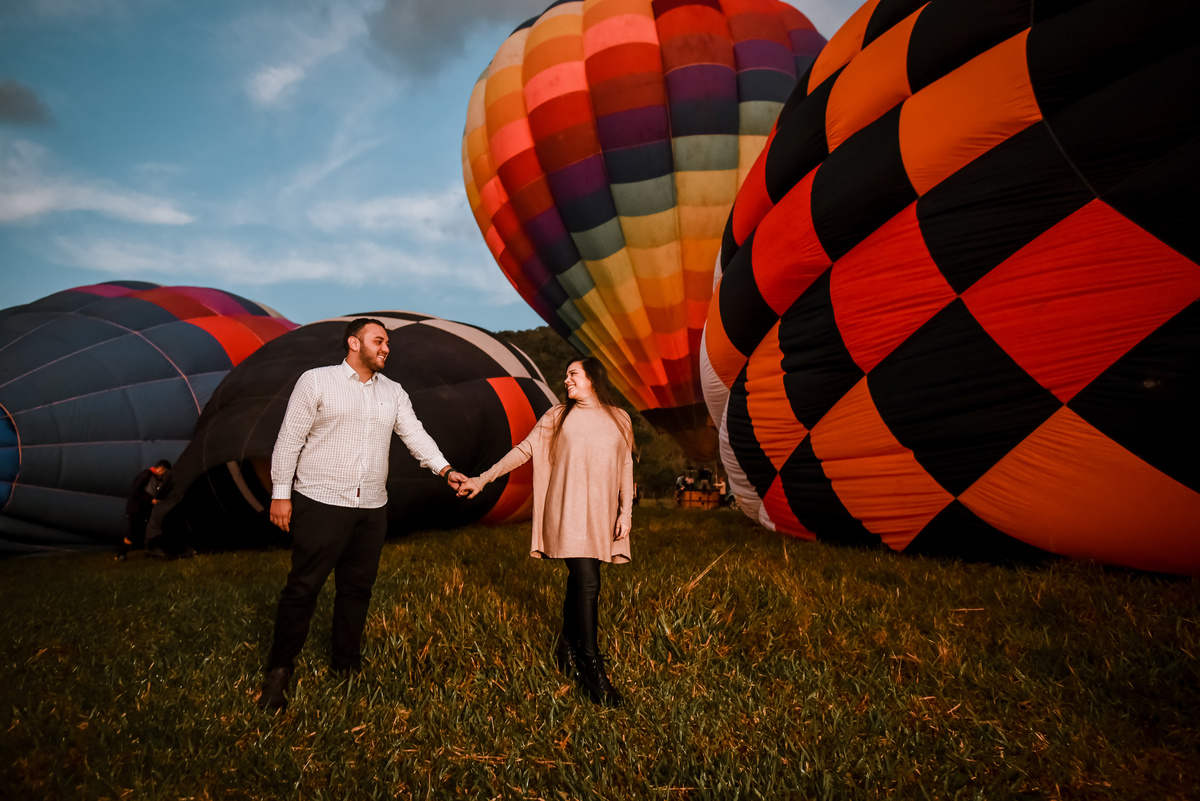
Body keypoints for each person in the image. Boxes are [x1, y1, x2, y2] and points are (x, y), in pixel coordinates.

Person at [257, 318, 468, 713]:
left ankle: (346, 666)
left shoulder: (394, 392)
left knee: (356, 591)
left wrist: (444, 469)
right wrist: (281, 495)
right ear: (354, 343)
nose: (386, 348)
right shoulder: (316, 381)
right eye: (379, 341)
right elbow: (289, 439)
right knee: (303, 588)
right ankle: (279, 672)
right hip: (321, 501)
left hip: (371, 507)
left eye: (388, 342)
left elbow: (414, 434)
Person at [457, 357, 634, 707]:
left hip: (601, 512)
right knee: (588, 583)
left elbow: (626, 465)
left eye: (573, 374)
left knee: (582, 580)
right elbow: (523, 451)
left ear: (593, 379)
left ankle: (566, 650)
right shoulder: (557, 416)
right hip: (567, 508)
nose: (565, 379)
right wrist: (482, 478)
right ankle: (591, 665)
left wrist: (626, 511)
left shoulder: (620, 418)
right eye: (565, 374)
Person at [119, 459, 171, 560]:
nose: (165, 475)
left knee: (142, 530)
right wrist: (151, 500)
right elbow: (136, 491)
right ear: (160, 469)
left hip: (142, 509)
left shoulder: (157, 479)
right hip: (135, 509)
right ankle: (121, 553)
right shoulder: (146, 475)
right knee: (134, 531)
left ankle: (146, 551)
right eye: (165, 472)